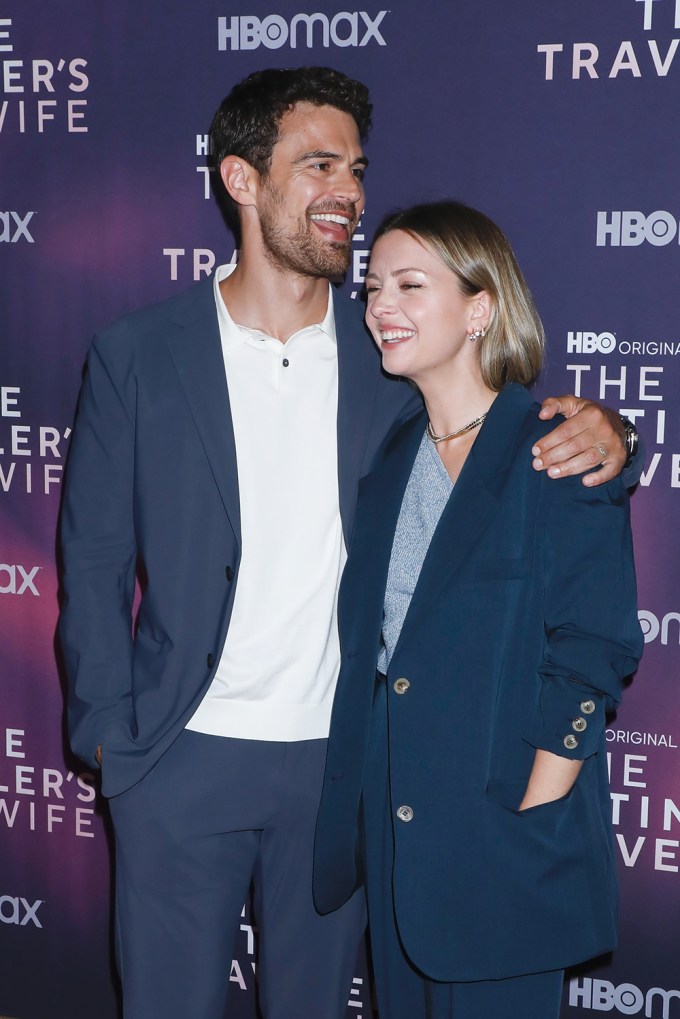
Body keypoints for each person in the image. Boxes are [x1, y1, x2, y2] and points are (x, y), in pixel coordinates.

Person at [59, 66, 637, 1019]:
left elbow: (507, 425)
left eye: (357, 169)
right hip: (177, 759)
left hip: (342, 770)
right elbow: (91, 564)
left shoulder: (387, 362)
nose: (349, 194)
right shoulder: (139, 354)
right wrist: (112, 744)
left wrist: (616, 436)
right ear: (241, 181)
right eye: (318, 164)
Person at [313, 200, 643, 1019]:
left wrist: (536, 799)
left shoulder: (555, 445)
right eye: (374, 285)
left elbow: (593, 644)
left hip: (503, 820)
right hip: (397, 822)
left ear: (480, 308)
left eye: (410, 284)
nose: (380, 305)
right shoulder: (393, 454)